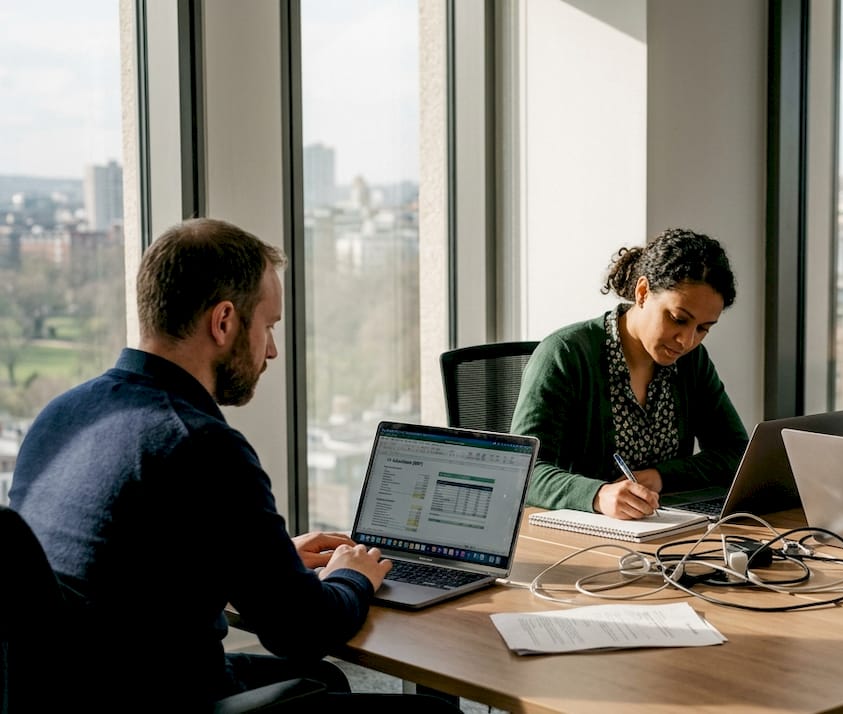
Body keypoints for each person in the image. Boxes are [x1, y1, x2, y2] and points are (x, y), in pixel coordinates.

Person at [8, 218, 458, 711]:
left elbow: (122, 570)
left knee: (322, 679)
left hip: (86, 690)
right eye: (267, 326)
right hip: (168, 697)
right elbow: (303, 632)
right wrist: (353, 574)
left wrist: (266, 557)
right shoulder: (199, 444)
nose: (271, 350)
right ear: (224, 322)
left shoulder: (62, 415)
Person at [510, 228, 749, 519]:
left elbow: (736, 453)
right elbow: (525, 470)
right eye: (678, 319)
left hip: (665, 529)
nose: (686, 341)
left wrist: (661, 476)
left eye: (703, 329)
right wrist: (597, 495)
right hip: (580, 538)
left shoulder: (691, 361)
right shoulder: (565, 354)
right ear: (643, 292)